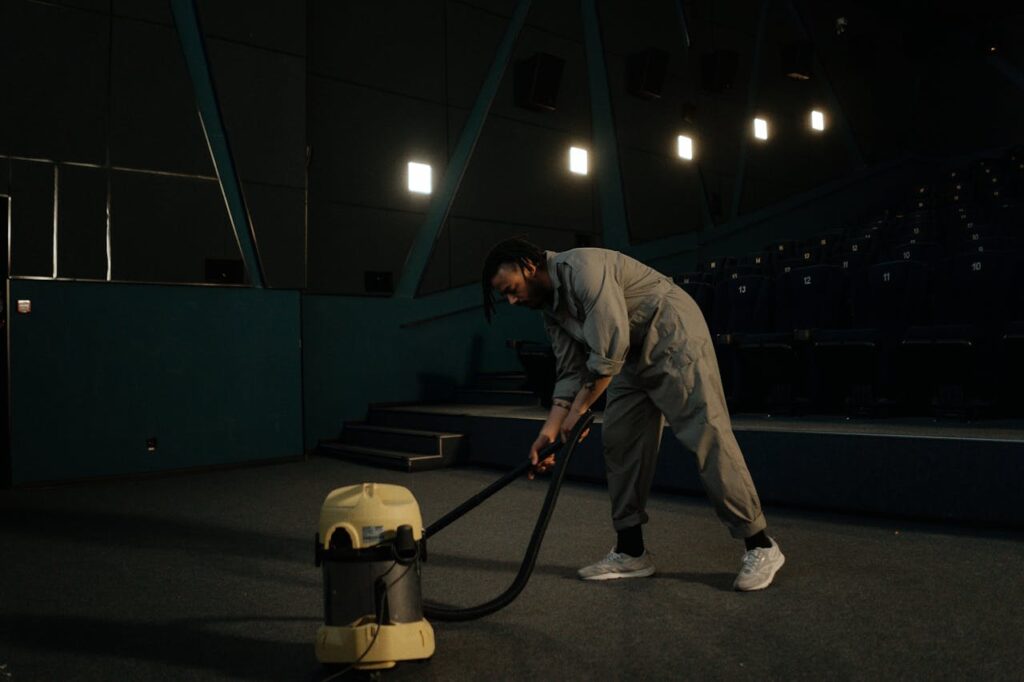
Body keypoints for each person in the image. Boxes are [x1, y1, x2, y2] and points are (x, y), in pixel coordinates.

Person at [481, 238, 785, 591]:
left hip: (672, 335)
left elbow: (607, 351)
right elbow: (569, 372)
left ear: (528, 266)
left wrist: (578, 411)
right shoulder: (549, 307)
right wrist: (549, 432)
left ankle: (760, 544)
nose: (513, 301)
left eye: (512, 290)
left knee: (706, 435)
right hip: (628, 358)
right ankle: (631, 551)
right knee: (620, 442)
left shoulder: (583, 269)